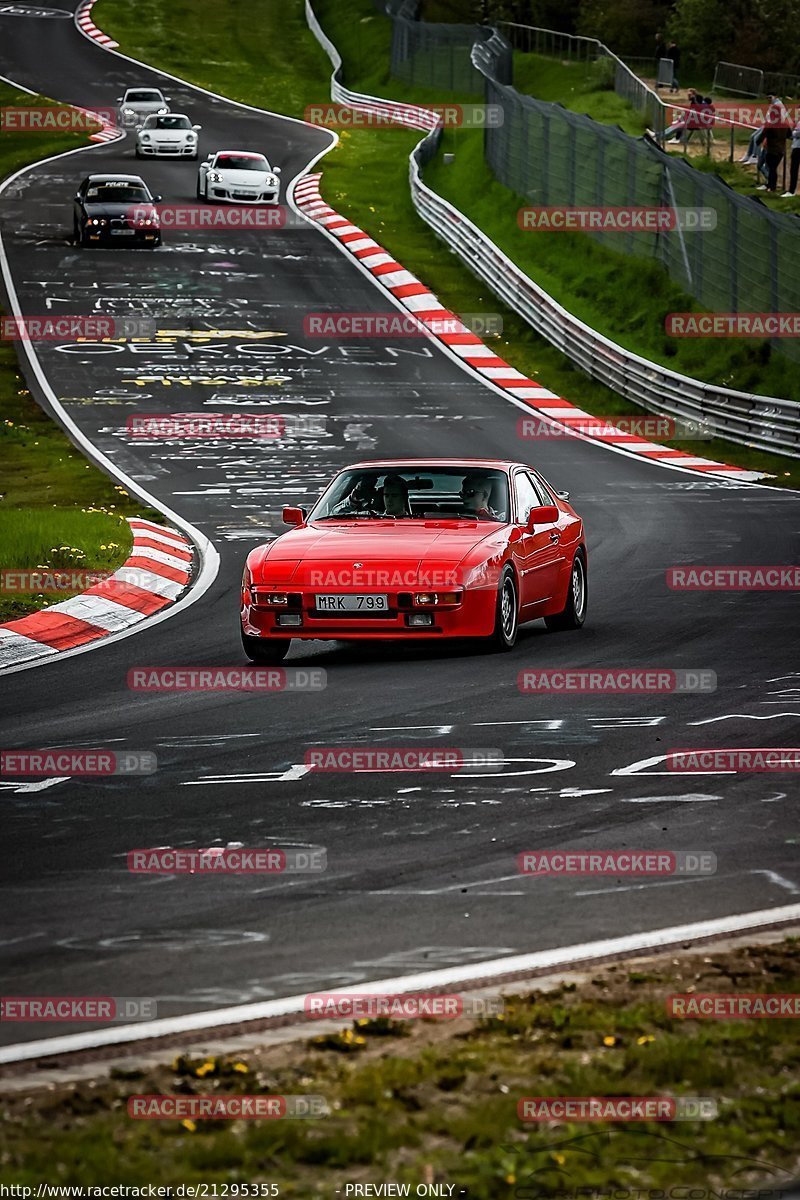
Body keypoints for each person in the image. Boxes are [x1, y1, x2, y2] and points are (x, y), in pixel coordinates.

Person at [758, 101, 791, 192]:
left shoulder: (770, 124)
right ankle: (770, 185)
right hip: (781, 150)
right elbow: (789, 134)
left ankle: (772, 187)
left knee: (772, 169)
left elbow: (762, 135)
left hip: (771, 150)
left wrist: (757, 142)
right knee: (773, 168)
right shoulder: (785, 124)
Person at [783, 115, 800, 196]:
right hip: (796, 146)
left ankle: (791, 191)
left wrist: (793, 131)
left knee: (794, 169)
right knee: (793, 169)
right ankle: (791, 190)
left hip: (798, 148)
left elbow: (797, 134)